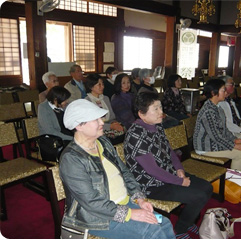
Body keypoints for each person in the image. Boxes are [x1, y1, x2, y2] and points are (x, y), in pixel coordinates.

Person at [59, 99, 175, 239]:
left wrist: (139, 199)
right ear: (79, 125)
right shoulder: (71, 158)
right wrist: (131, 214)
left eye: (100, 118)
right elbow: (92, 202)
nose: (102, 122)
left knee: (165, 222)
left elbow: (124, 172)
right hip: (98, 217)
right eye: (96, 119)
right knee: (151, 231)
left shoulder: (103, 142)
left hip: (125, 203)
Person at [124, 91, 213, 238]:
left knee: (206, 187)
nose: (161, 112)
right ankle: (179, 230)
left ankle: (188, 220)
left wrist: (179, 169)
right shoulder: (135, 134)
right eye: (156, 109)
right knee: (198, 196)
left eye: (160, 107)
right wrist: (180, 181)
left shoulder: (157, 126)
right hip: (151, 184)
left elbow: (170, 151)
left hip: (168, 174)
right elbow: (152, 170)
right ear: (142, 114)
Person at [193, 78, 241, 172]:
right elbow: (216, 136)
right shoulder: (208, 111)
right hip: (205, 146)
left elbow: (224, 129)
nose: (225, 92)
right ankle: (233, 182)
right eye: (223, 90)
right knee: (239, 154)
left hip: (213, 142)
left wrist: (234, 139)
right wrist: (233, 145)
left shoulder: (218, 107)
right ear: (214, 93)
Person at [85, 73, 125, 144]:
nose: (102, 87)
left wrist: (114, 123)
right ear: (91, 87)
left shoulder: (105, 98)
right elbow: (91, 123)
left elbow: (112, 117)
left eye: (102, 84)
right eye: (99, 85)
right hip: (96, 131)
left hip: (109, 127)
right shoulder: (87, 101)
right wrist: (110, 126)